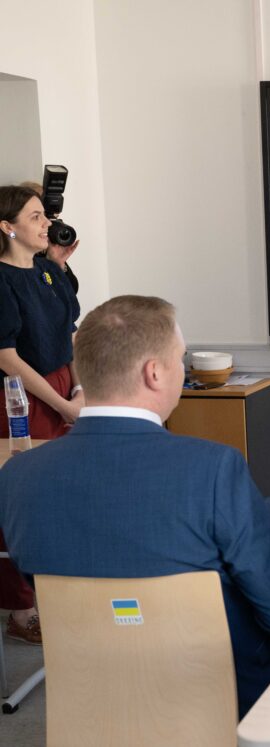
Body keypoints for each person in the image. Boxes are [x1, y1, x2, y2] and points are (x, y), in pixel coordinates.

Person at [0, 295, 270, 717]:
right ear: (154, 373)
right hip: (216, 693)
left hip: (91, 696)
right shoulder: (213, 468)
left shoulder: (18, 476)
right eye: (180, 360)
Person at [0, 184, 83, 646]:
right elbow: (6, 355)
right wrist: (63, 403)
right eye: (35, 217)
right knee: (20, 501)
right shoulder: (1, 279)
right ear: (7, 227)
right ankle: (21, 608)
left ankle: (57, 594)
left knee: (57, 498)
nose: (46, 223)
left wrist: (79, 387)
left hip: (61, 387)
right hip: (19, 397)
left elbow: (68, 329)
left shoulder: (45, 271)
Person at [21, 180, 80, 293]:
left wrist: (57, 264)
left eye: (53, 218)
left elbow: (71, 291)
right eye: (37, 216)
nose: (49, 223)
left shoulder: (48, 251)